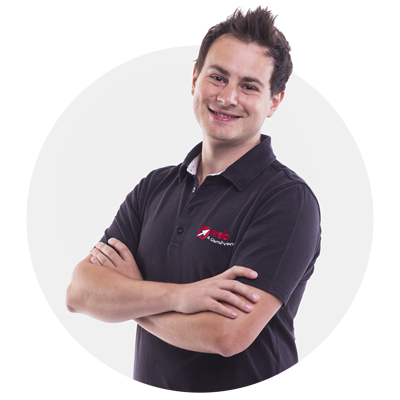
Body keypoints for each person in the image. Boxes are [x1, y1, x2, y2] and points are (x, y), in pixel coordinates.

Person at [66, 6, 321, 393]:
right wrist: (182, 297)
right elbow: (80, 292)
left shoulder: (287, 200)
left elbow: (227, 336)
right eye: (218, 77)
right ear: (195, 79)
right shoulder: (155, 187)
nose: (228, 97)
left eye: (249, 86)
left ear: (274, 101)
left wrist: (132, 298)